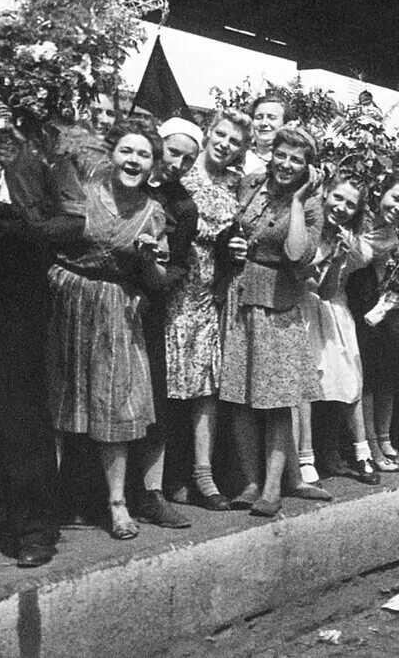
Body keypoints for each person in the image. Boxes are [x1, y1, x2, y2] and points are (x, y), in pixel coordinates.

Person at [46, 121, 173, 540]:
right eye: (127, 151)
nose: (133, 161)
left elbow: (158, 281)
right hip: (67, 297)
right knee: (61, 399)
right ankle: (52, 503)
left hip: (116, 308)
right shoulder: (85, 189)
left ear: (153, 166)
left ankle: (117, 504)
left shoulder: (153, 213)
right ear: (112, 153)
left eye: (143, 155)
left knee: (112, 403)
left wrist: (148, 262)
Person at [0, 121, 87, 567]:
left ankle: (34, 527)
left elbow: (75, 221)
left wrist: (27, 233)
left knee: (20, 406)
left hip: (17, 280)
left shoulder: (43, 148)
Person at [220, 127, 330, 518]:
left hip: (278, 302)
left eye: (296, 160)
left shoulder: (313, 205)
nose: (286, 164)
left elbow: (298, 253)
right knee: (239, 394)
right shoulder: (250, 185)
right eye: (281, 155)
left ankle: (272, 488)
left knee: (277, 398)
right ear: (271, 154)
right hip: (238, 293)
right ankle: (250, 482)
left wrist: (298, 201)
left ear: (307, 168)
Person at [161, 111, 248, 510]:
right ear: (209, 134)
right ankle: (166, 477)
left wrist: (234, 250)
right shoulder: (178, 176)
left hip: (210, 294)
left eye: (234, 140)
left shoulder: (236, 187)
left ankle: (203, 474)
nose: (225, 144)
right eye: (221, 134)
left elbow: (237, 236)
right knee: (170, 384)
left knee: (205, 387)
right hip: (174, 287)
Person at [138, 117, 208, 526]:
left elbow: (179, 265)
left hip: (151, 306)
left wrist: (156, 275)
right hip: (101, 298)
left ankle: (151, 491)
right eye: (173, 151)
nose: (177, 164)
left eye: (188, 159)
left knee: (153, 402)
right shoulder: (122, 182)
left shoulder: (183, 206)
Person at [299, 176, 380, 484]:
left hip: (332, 306)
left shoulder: (349, 240)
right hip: (304, 305)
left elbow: (331, 288)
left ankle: (362, 452)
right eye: (338, 198)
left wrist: (338, 259)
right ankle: (306, 457)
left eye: (350, 204)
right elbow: (310, 286)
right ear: (325, 195)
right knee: (307, 380)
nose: (341, 207)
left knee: (349, 379)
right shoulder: (310, 227)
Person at [347, 171, 399, 471]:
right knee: (365, 380)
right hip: (352, 301)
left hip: (376, 305)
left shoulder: (392, 237)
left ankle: (383, 437)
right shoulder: (359, 217)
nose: (398, 208)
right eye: (396, 198)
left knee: (385, 374)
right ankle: (368, 445)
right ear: (381, 193)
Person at [243, 94, 292, 175]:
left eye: (272, 118)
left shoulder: (290, 159)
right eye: (259, 117)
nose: (264, 123)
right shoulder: (239, 156)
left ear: (285, 124)